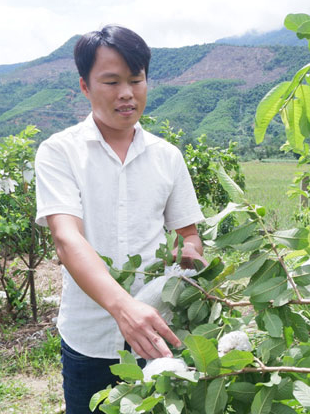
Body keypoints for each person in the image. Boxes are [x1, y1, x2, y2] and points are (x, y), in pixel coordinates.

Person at [34, 25, 206, 414]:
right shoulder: (59, 153)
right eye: (111, 81)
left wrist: (190, 254)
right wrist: (124, 308)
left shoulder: (168, 157)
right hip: (90, 339)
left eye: (135, 79)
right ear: (85, 86)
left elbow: (189, 236)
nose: (126, 93)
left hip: (160, 334)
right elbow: (67, 239)